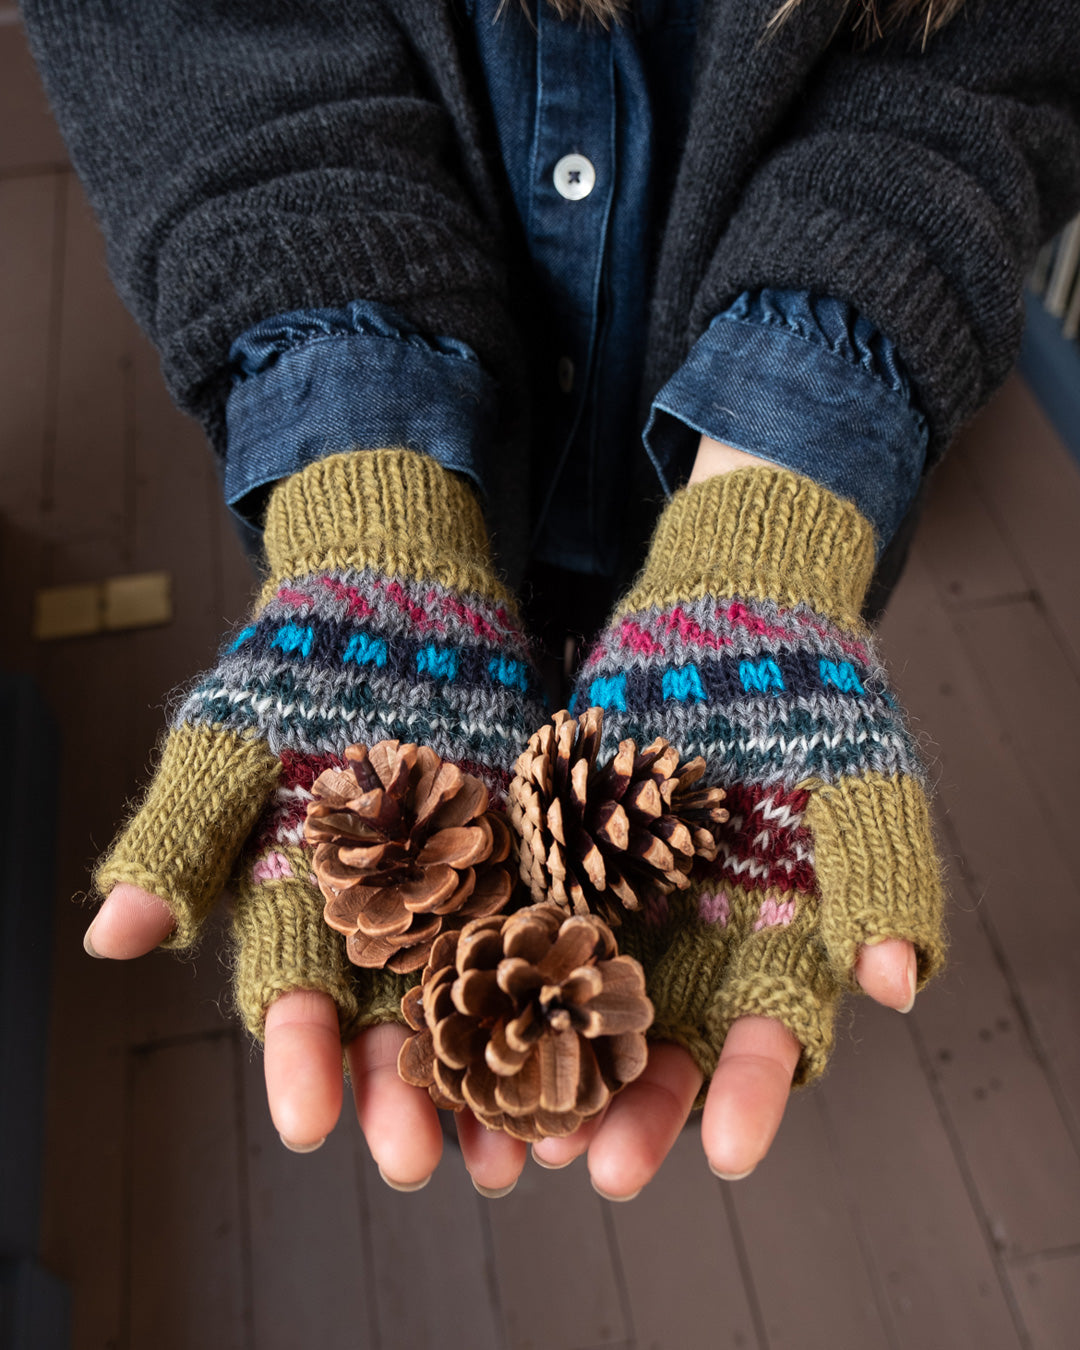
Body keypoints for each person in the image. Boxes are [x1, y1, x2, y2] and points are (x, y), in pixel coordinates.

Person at [21, 0, 1080, 1201]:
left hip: (730, 444)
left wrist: (767, 522)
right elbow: (204, 50)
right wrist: (377, 504)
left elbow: (974, 84)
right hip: (439, 424)